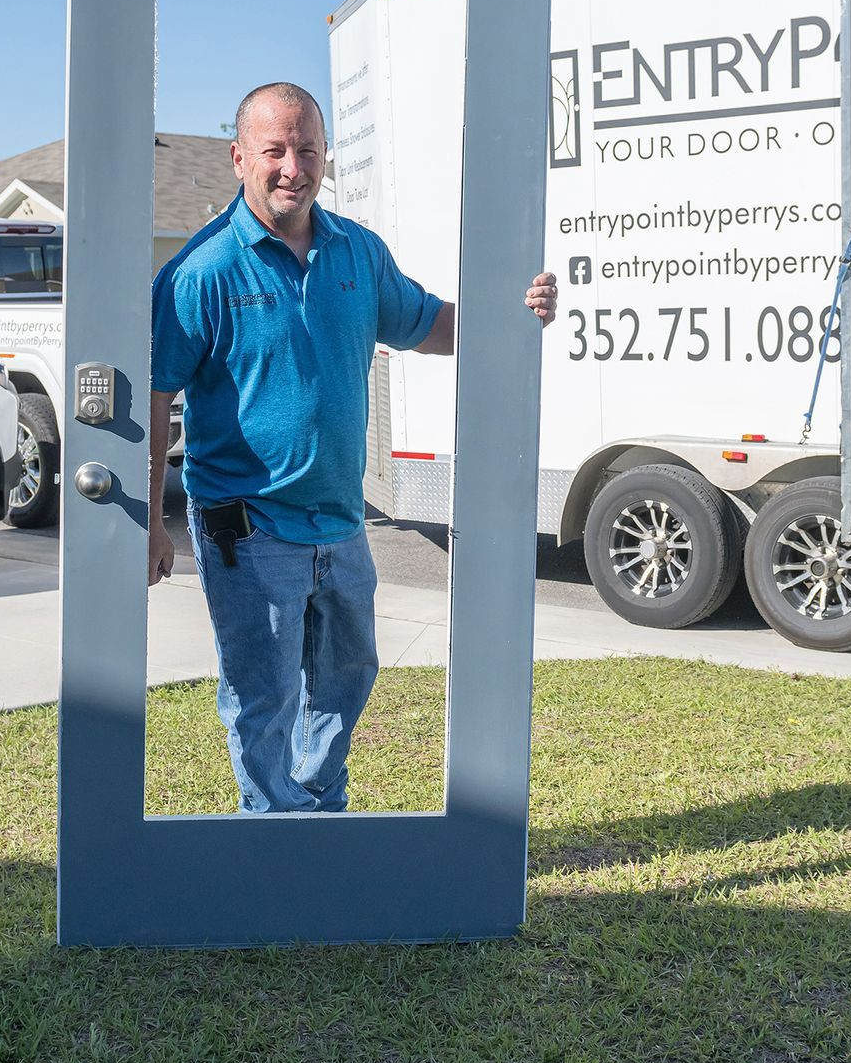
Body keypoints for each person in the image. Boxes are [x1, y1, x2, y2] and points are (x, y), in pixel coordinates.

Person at [147, 81, 557, 812]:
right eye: (274, 150)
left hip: (339, 518)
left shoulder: (355, 253)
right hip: (247, 523)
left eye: (307, 149)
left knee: (347, 674)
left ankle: (315, 802)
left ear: (326, 156)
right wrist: (150, 519)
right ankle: (274, 829)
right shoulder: (200, 271)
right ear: (239, 157)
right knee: (262, 691)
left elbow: (428, 323)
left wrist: (513, 315)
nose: (292, 167)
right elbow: (153, 396)